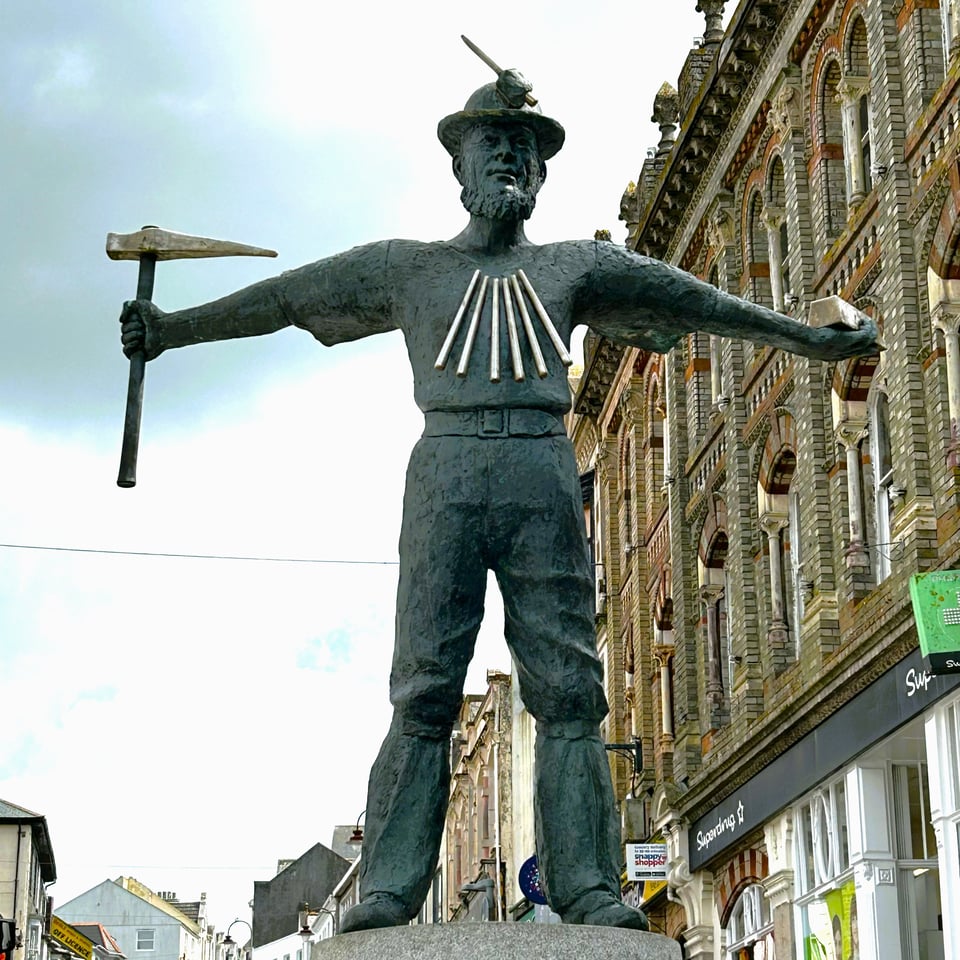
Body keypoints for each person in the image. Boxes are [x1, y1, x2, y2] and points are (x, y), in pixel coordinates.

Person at [120, 69, 881, 933]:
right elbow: (291, 297)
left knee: (569, 683)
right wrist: (175, 330)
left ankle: (588, 883)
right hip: (443, 472)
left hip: (540, 467)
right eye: (495, 147)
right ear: (459, 167)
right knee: (423, 688)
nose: (513, 161)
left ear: (545, 177)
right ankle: (392, 890)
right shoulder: (407, 269)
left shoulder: (576, 267)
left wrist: (802, 337)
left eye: (527, 151)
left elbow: (693, 300)